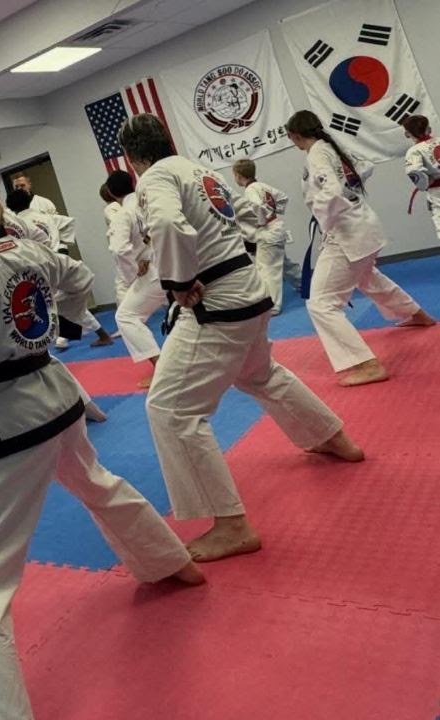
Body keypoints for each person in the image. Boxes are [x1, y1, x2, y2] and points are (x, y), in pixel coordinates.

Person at [0, 167, 203, 720]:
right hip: (58, 394)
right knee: (97, 483)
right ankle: (170, 563)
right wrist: (54, 323)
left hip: (13, 418)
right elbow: (83, 276)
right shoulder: (33, 248)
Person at [119, 113, 365, 563]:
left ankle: (229, 524)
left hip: (218, 301)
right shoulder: (199, 170)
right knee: (260, 375)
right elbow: (251, 211)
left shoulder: (155, 177)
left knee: (170, 409)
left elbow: (171, 228)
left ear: (133, 158)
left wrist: (177, 282)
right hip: (249, 288)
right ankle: (331, 437)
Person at [285, 110, 434, 386]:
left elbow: (330, 193)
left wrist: (326, 219)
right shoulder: (332, 146)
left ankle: (365, 364)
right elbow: (365, 167)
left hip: (346, 234)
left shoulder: (317, 153)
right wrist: (346, 196)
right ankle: (417, 314)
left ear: (294, 135)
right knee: (367, 277)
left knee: (321, 303)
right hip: (364, 226)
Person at [7, 188, 114, 351]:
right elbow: (68, 225)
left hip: (41, 268)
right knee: (58, 305)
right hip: (58, 262)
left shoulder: (17, 225)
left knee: (47, 306)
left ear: (11, 207)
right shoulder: (46, 217)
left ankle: (63, 338)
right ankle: (94, 334)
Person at [106, 170, 165, 387]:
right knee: (185, 313)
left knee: (125, 317)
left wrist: (132, 275)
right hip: (166, 262)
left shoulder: (122, 214)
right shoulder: (143, 205)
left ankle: (161, 369)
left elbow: (119, 249)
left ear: (111, 193)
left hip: (151, 271)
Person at [231, 159, 289, 314]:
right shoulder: (262, 186)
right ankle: (302, 285)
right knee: (284, 262)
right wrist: (274, 212)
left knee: (267, 269)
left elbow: (257, 206)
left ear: (238, 175)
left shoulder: (250, 190)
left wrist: (262, 222)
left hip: (268, 230)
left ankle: (274, 306)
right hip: (277, 227)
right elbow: (283, 198)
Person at [401, 114, 440, 240]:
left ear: (407, 133)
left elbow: (414, 171)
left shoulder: (414, 151)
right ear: (429, 129)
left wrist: (425, 183)